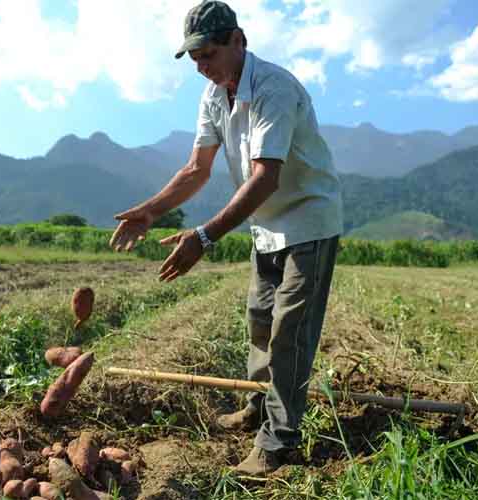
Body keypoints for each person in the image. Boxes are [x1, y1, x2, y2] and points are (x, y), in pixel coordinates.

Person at [109, 0, 343, 476]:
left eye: (209, 55)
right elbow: (197, 168)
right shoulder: (215, 95)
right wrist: (151, 210)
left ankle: (277, 442)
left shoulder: (274, 88)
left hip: (308, 221)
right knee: (260, 321)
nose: (201, 66)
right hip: (266, 225)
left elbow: (265, 178)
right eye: (195, 59)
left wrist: (203, 237)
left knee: (290, 332)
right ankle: (259, 405)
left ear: (238, 41)